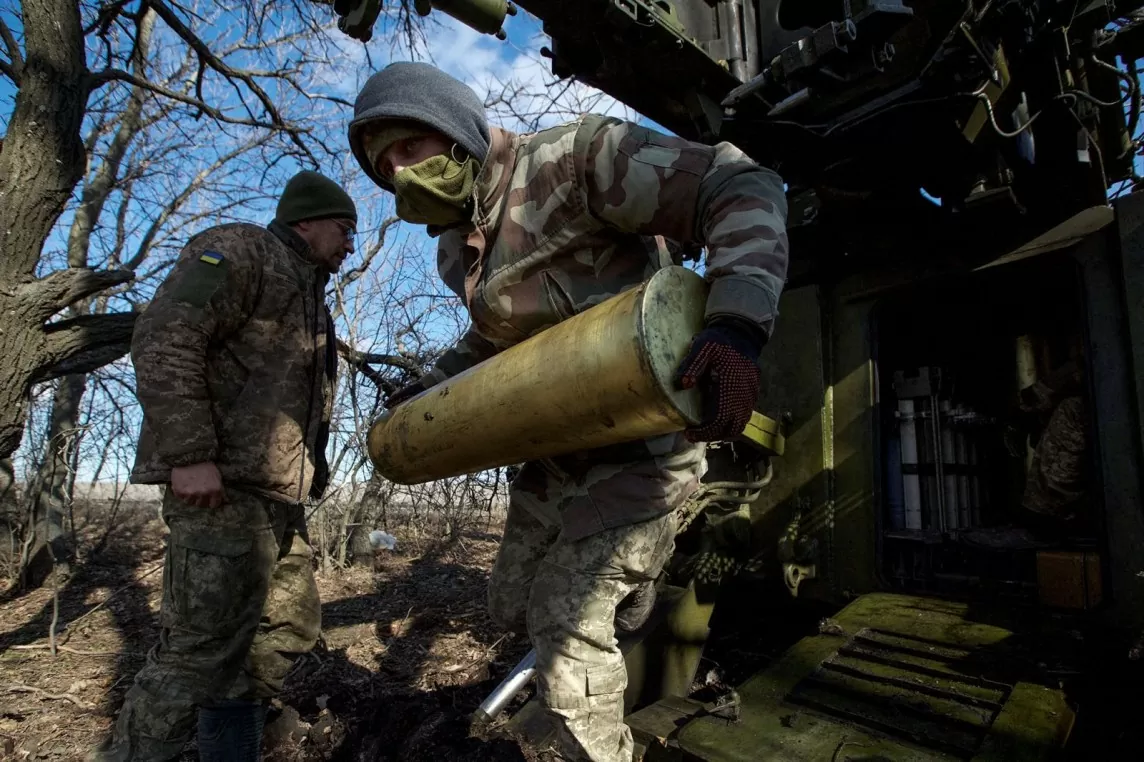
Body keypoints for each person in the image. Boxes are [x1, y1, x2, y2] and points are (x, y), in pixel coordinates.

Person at [347, 61, 789, 762]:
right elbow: (490, 342)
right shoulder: (452, 251)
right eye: (383, 166)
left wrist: (736, 322)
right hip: (558, 454)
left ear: (452, 130)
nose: (399, 174)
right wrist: (427, 389)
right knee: (510, 602)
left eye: (407, 149)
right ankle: (637, 597)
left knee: (566, 623)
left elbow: (737, 184)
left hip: (645, 445)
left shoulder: (573, 160)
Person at [90, 170, 357, 761]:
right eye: (343, 228)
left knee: (285, 629)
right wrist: (190, 456)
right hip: (220, 491)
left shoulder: (311, 295)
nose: (350, 244)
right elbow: (164, 336)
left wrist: (311, 472)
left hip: (275, 501)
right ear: (305, 221)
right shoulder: (241, 250)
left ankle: (228, 751)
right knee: (199, 652)